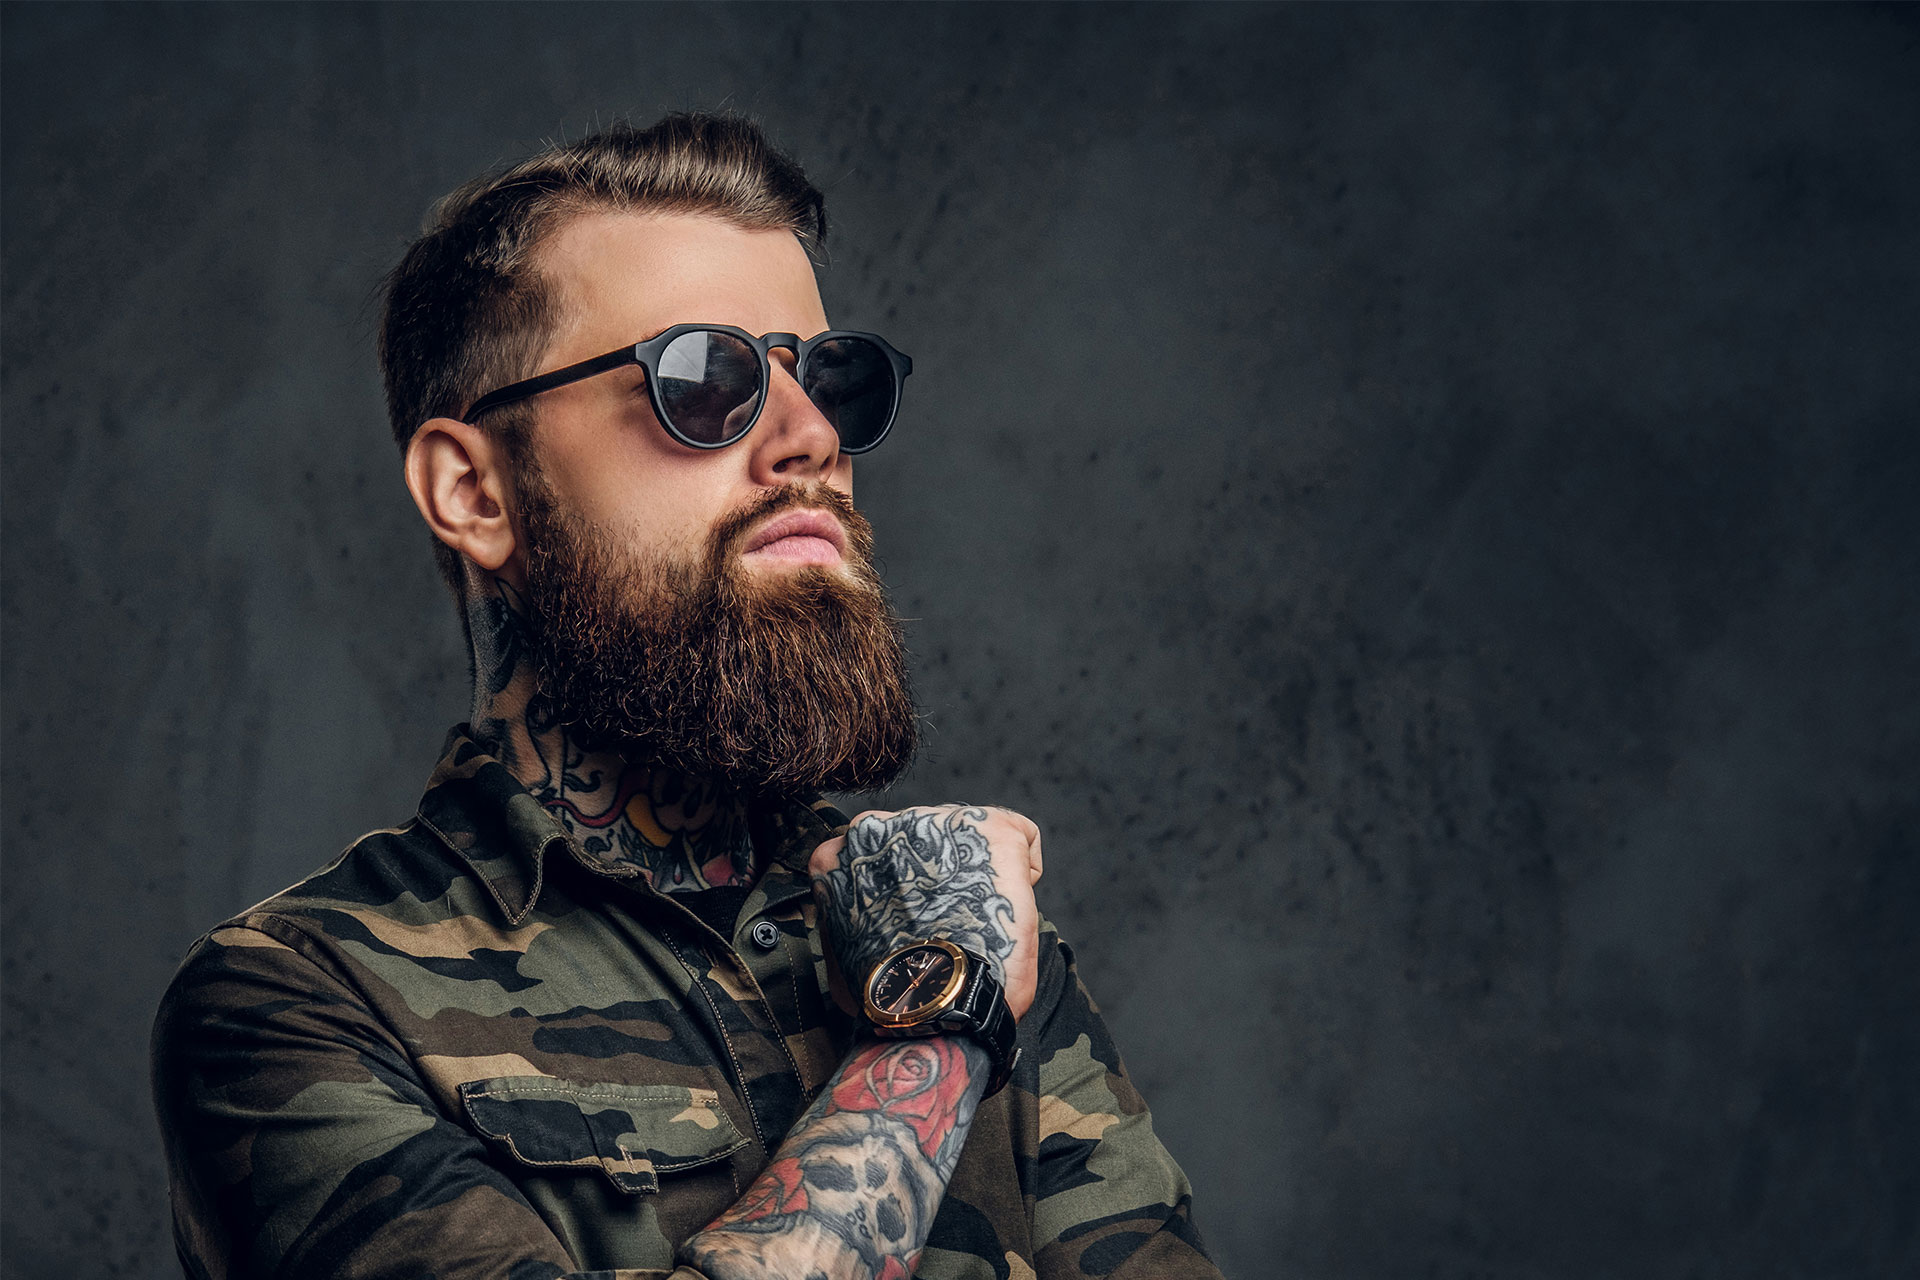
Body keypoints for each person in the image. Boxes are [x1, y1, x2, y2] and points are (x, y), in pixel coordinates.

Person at [151, 114, 1221, 1280]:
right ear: (475, 489)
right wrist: (938, 1026)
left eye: (828, 379)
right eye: (706, 379)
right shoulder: (295, 1000)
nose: (809, 437)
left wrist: (963, 967)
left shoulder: (970, 919)